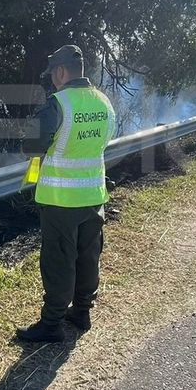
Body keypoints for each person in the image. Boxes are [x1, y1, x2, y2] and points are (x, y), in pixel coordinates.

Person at [16, 45, 116, 342]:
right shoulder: (103, 102)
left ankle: (51, 324)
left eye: (52, 75)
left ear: (60, 72)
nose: (52, 81)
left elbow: (32, 147)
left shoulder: (57, 104)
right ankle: (82, 312)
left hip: (60, 200)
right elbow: (102, 143)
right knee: (88, 257)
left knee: (59, 261)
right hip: (94, 196)